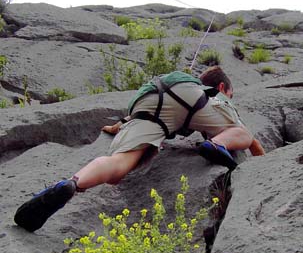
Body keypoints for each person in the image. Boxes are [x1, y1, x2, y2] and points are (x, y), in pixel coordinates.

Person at [14, 66, 264, 232]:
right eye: (231, 94)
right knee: (242, 132)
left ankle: (73, 183)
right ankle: (217, 145)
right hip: (190, 100)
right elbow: (249, 140)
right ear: (222, 89)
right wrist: (269, 166)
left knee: (119, 162)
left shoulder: (173, 82)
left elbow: (121, 122)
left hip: (147, 101)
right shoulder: (214, 96)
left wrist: (117, 127)